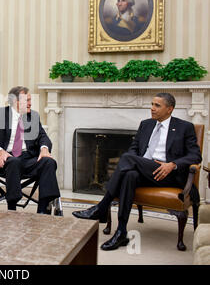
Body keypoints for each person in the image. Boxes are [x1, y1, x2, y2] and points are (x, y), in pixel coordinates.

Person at [72, 93, 202, 251]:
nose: (152, 108)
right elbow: (134, 149)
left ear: (170, 109)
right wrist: (135, 161)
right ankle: (121, 232)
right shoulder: (146, 124)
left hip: (167, 174)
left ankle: (102, 207)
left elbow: (195, 155)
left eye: (157, 105)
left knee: (127, 159)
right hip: (144, 170)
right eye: (152, 104)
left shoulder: (184, 127)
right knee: (129, 174)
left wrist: (172, 164)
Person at [0, 86, 61, 214]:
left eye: (30, 100)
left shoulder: (33, 117)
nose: (30, 103)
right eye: (27, 100)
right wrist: (0, 151)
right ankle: (12, 209)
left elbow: (43, 137)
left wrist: (44, 149)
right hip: (5, 159)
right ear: (15, 102)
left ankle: (43, 210)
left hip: (27, 159)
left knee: (49, 162)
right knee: (14, 162)